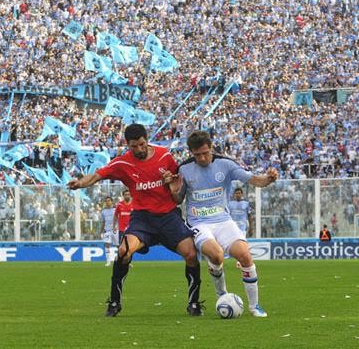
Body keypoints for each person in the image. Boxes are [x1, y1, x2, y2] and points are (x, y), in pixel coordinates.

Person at [67, 123, 202, 317]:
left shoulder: (164, 155)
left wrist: (171, 181)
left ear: (147, 140)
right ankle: (114, 301)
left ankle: (194, 303)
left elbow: (178, 182)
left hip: (168, 217)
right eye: (134, 146)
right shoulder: (123, 163)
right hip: (143, 219)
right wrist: (80, 183)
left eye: (142, 144)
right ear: (127, 144)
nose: (139, 149)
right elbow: (98, 175)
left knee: (190, 254)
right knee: (123, 251)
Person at [167, 130, 278, 318]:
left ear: (211, 147)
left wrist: (268, 179)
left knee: (244, 255)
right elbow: (178, 200)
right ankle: (222, 295)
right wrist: (173, 190)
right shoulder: (184, 169)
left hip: (223, 220)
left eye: (205, 152)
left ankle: (254, 305)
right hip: (198, 223)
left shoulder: (226, 165)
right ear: (191, 153)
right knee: (216, 255)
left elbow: (253, 180)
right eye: (197, 155)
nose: (202, 158)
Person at [100, 196, 117, 266]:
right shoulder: (103, 212)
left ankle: (125, 261)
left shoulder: (116, 210)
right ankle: (108, 261)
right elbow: (103, 222)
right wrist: (101, 231)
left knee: (119, 246)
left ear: (112, 201)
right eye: (106, 201)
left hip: (115, 230)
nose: (107, 202)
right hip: (107, 231)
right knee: (107, 245)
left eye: (109, 200)